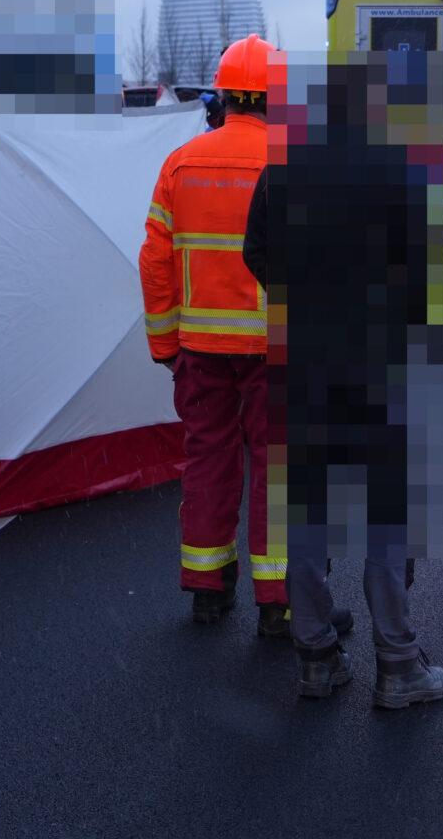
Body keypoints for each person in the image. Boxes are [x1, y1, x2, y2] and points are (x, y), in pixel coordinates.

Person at [247, 51, 443, 709]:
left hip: (305, 361)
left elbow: (257, 253)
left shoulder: (281, 173)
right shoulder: (397, 170)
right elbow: (422, 266)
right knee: (388, 516)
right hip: (380, 363)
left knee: (307, 512)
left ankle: (316, 657)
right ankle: (397, 663)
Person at [139, 35, 289, 631]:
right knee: (277, 469)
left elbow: (154, 261)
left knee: (207, 463)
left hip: (200, 352)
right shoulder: (291, 161)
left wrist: (164, 345)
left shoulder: (182, 162)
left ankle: (207, 588)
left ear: (221, 96)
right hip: (276, 349)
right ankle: (278, 604)